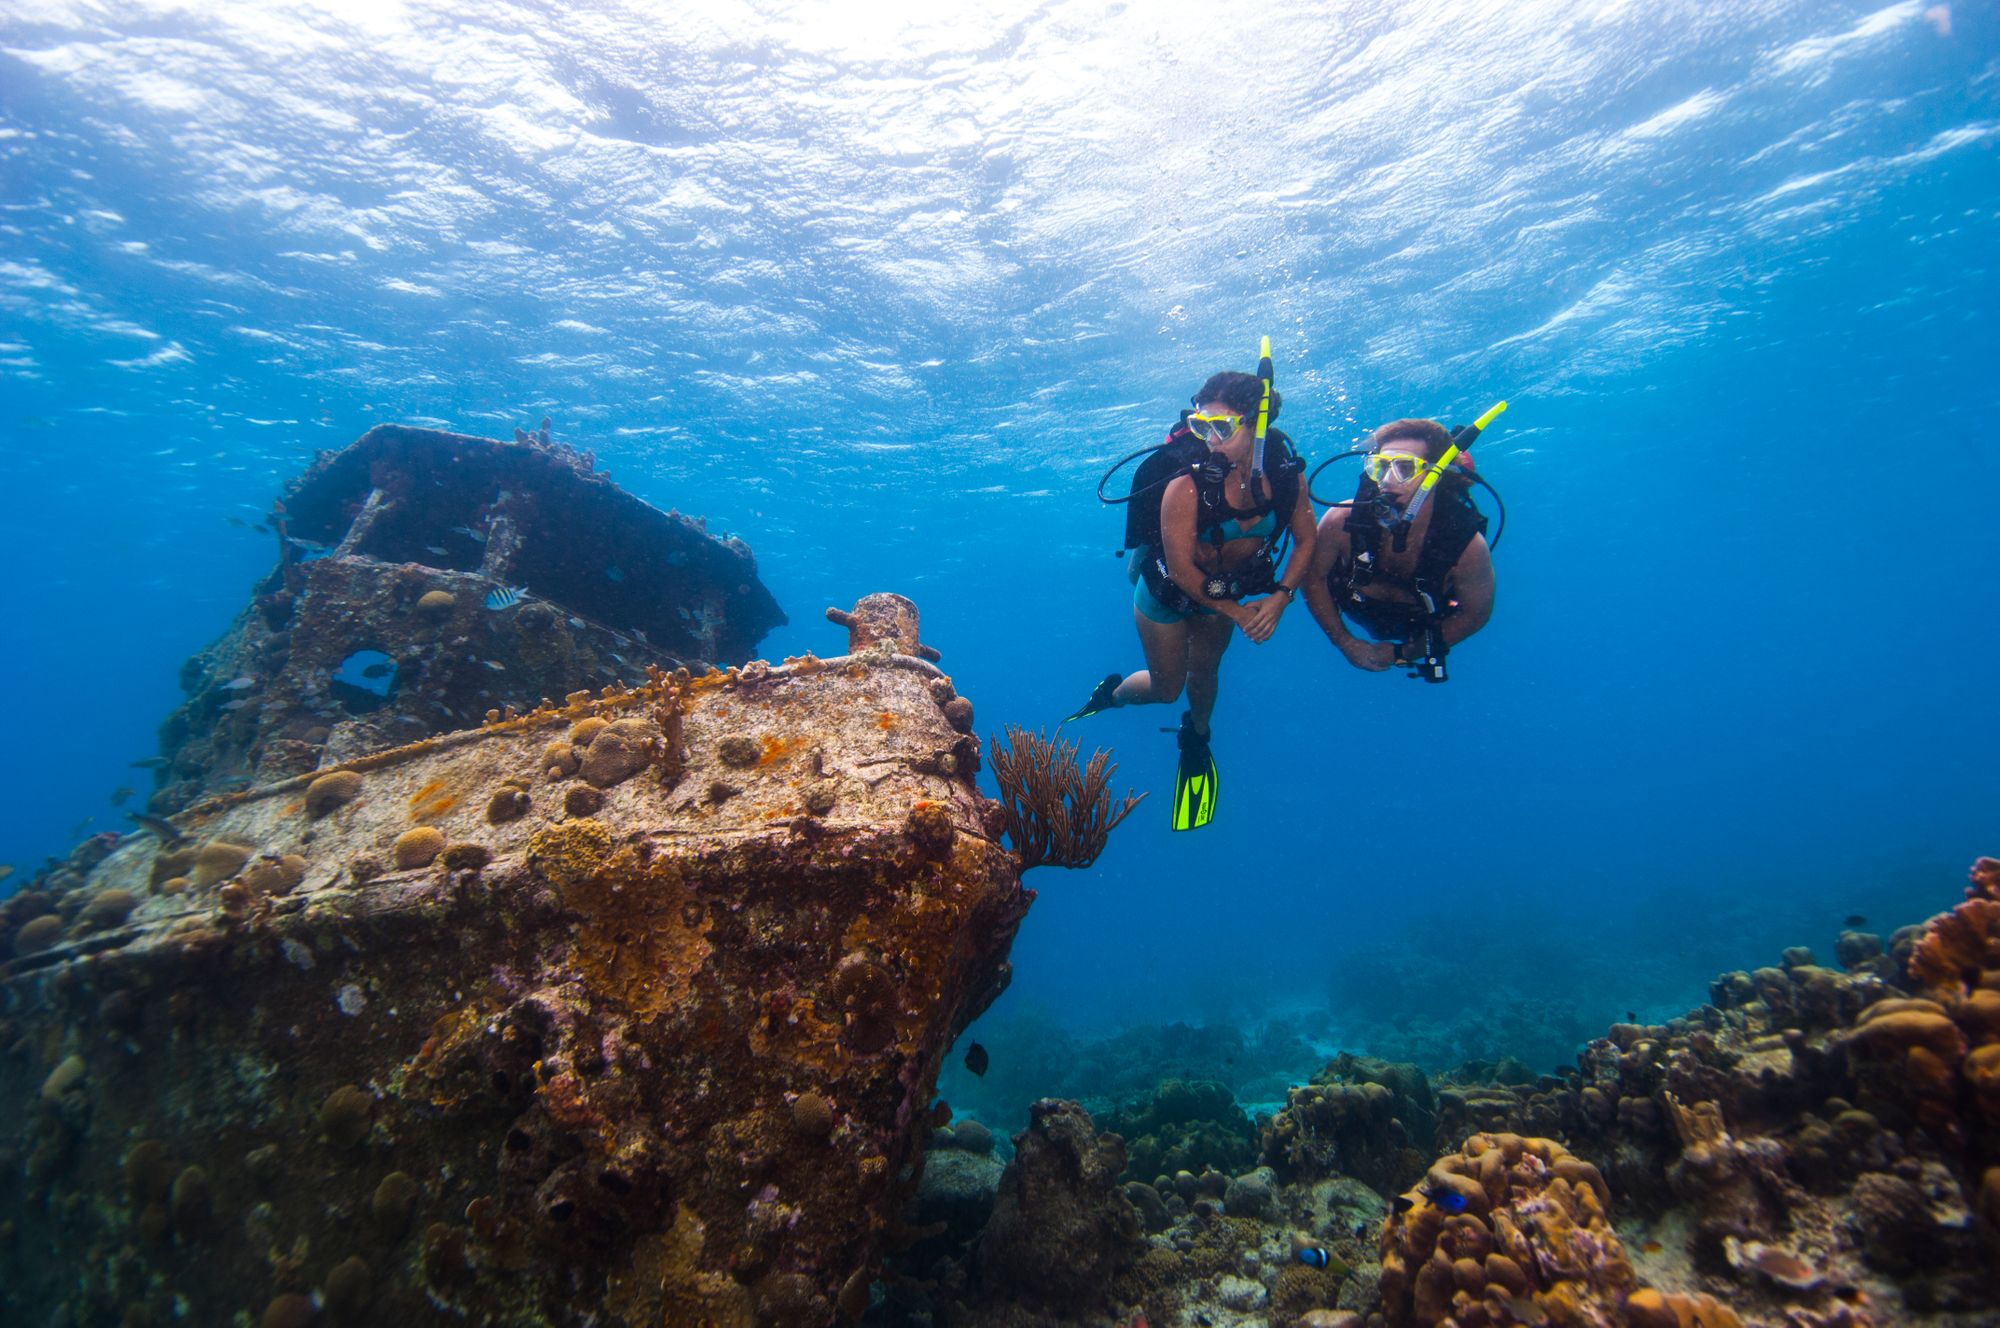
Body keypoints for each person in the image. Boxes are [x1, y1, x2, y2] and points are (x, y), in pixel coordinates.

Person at [1069, 369, 1317, 829]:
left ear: (1255, 425)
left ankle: (1198, 735)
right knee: (1168, 689)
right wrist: (1240, 613)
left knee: (1205, 673)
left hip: (1227, 596)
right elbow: (1182, 570)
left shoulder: (1286, 479)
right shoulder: (1184, 486)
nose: (1209, 440)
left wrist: (1281, 597)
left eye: (1221, 428)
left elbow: (1306, 542)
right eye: (1202, 427)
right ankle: (1113, 694)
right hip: (1167, 591)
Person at [1302, 418, 1495, 680]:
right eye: (1380, 466)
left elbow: (1475, 615)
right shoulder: (1342, 521)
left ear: (1436, 475)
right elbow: (1314, 577)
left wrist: (1403, 653)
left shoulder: (1467, 548)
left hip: (1418, 624)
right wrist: (1344, 642)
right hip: (1357, 605)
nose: (1388, 480)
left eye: (1405, 468)